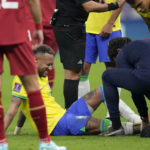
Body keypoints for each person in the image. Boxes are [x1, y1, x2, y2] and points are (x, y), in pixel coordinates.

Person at [4, 45, 141, 136]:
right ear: (35, 60)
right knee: (106, 125)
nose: (51, 68)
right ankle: (141, 127)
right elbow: (14, 108)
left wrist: (17, 130)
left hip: (66, 114)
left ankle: (136, 118)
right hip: (58, 125)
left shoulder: (41, 75)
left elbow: (27, 105)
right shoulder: (22, 80)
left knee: (103, 90)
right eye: (48, 64)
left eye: (52, 64)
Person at [0, 0, 66, 150]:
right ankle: (44, 142)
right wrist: (37, 26)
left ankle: (1, 143)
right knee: (32, 85)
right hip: (17, 26)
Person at [52, 0, 125, 109]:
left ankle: (112, 113)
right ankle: (81, 111)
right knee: (80, 71)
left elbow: (121, 1)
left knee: (111, 70)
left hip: (108, 27)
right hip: (83, 27)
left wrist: (110, 23)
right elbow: (88, 6)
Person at [101, 37, 150, 136]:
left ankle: (116, 126)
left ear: (118, 51)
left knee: (107, 76)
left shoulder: (123, 53)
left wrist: (144, 118)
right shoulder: (144, 43)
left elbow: (136, 90)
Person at [25, 0, 58, 88]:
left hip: (46, 20)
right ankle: (32, 96)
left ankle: (45, 95)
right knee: (31, 61)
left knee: (46, 62)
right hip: (37, 20)